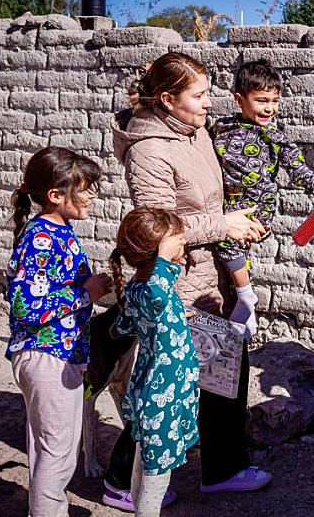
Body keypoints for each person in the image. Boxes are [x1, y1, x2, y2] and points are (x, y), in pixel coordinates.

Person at [105, 52, 271, 511]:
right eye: (198, 95)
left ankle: (221, 470)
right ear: (167, 99)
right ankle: (122, 480)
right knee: (167, 380)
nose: (208, 104)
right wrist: (224, 225)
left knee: (223, 371)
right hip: (177, 282)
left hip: (208, 274)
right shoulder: (148, 150)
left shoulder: (195, 132)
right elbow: (157, 226)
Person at [6, 146, 113, 515]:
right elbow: (26, 306)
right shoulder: (42, 238)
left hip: (57, 355)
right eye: (85, 189)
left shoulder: (58, 230)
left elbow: (56, 287)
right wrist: (85, 293)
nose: (91, 197)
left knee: (49, 449)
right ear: (56, 195)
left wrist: (90, 287)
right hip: (47, 356)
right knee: (58, 454)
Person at [211, 59, 314, 337]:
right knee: (235, 257)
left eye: (275, 101)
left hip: (258, 208)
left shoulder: (275, 136)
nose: (270, 108)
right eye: (262, 100)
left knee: (227, 243)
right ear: (240, 100)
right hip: (229, 204)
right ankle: (242, 309)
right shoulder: (221, 128)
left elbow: (296, 167)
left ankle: (246, 296)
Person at [109, 207, 199, 517]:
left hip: (156, 392)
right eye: (177, 241)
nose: (183, 245)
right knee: (156, 478)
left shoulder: (139, 288)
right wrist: (163, 258)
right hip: (163, 398)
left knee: (143, 463)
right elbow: (156, 299)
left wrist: (176, 318)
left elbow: (130, 323)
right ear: (158, 251)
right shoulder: (154, 289)